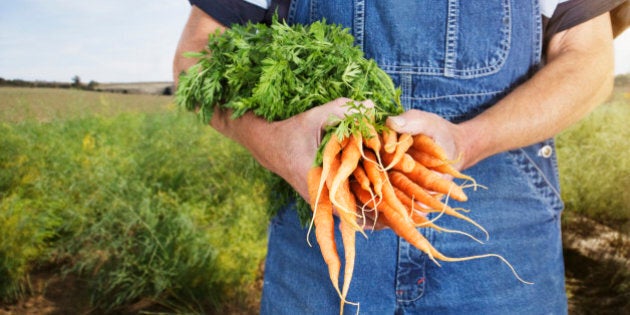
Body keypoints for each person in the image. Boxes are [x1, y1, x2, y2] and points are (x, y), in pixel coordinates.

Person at [173, 1, 623, 314]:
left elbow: (587, 60)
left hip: (498, 223)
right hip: (322, 211)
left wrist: (468, 141)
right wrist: (275, 142)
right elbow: (197, 56)